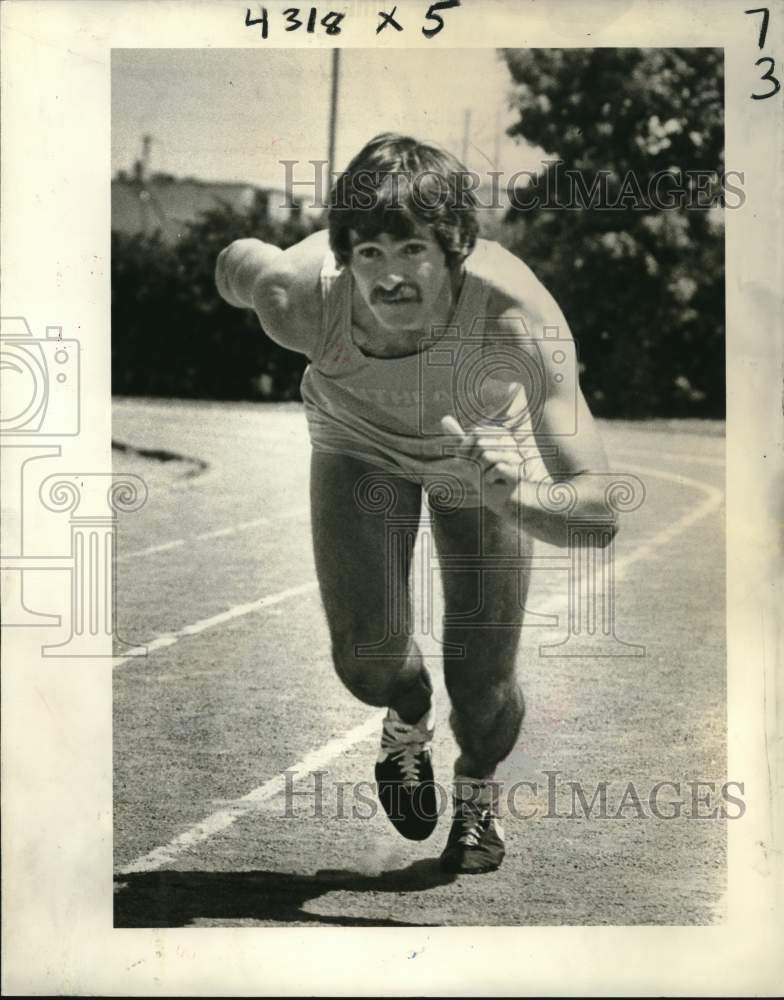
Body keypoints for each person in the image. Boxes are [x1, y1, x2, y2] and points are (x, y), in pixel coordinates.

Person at [215, 133, 614, 874]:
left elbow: (598, 513)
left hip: (478, 459)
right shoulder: (296, 297)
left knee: (483, 692)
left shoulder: (516, 319)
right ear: (343, 256)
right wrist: (242, 261)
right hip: (354, 440)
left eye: (412, 252)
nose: (390, 277)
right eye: (369, 254)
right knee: (367, 666)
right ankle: (406, 718)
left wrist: (518, 493)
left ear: (456, 247)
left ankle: (477, 791)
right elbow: (240, 264)